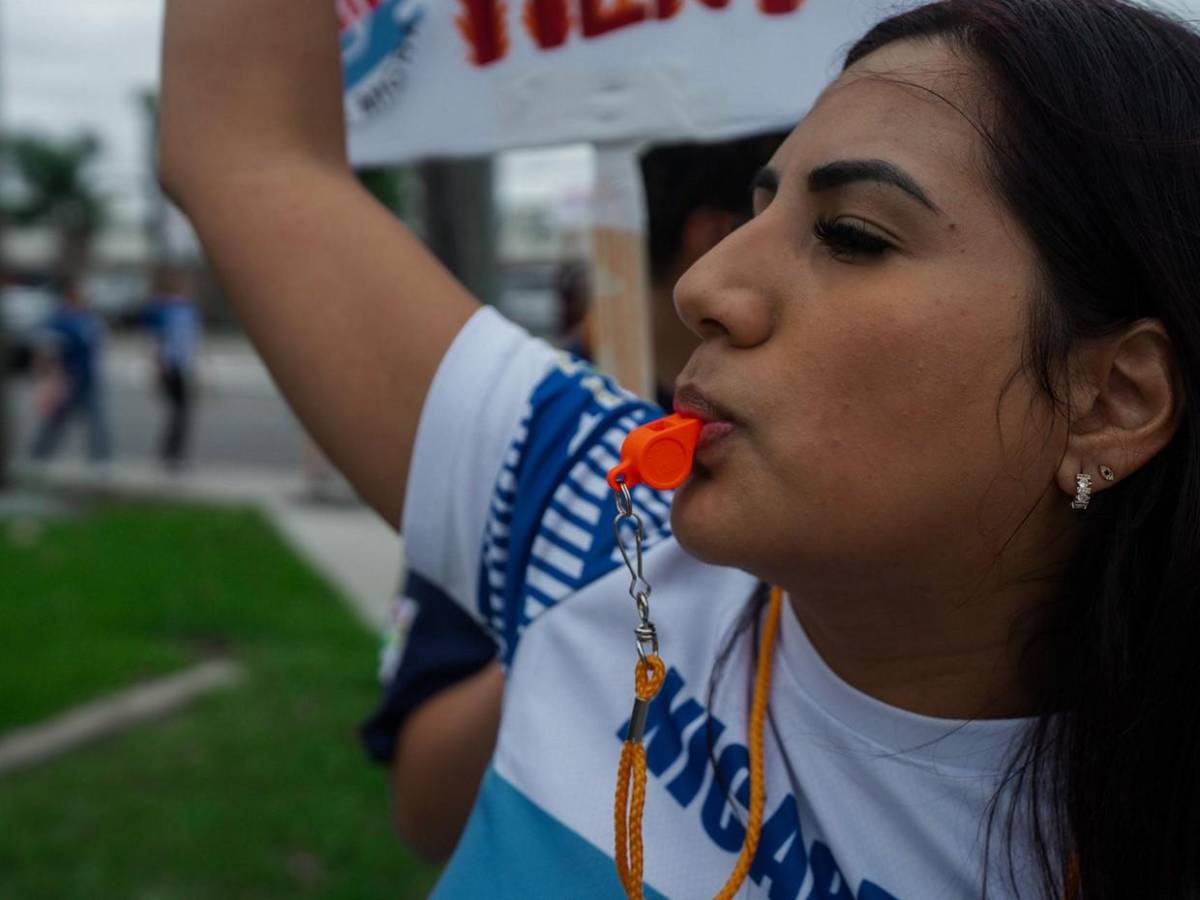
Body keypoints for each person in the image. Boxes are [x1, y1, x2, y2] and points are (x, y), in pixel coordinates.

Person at [159, 0, 1200, 896]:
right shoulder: (593, 514)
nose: (704, 290)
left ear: (1109, 397)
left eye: (851, 236)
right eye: (760, 208)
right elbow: (246, 152)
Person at [360, 133, 787, 862]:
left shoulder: (828, 478)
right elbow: (424, 811)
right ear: (714, 236)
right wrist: (582, 621)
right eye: (838, 237)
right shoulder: (545, 447)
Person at [29, 277, 111, 464]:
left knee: (98, 421)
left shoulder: (89, 319)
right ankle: (38, 456)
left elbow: (97, 344)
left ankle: (101, 459)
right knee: (56, 422)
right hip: (67, 379)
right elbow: (45, 352)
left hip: (89, 378)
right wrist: (49, 380)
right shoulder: (59, 320)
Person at [136, 267, 202, 468]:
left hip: (182, 364)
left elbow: (192, 341)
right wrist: (159, 364)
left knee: (180, 410)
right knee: (180, 410)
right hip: (172, 365)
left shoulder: (187, 309)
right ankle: (171, 454)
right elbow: (157, 340)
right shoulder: (165, 310)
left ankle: (172, 452)